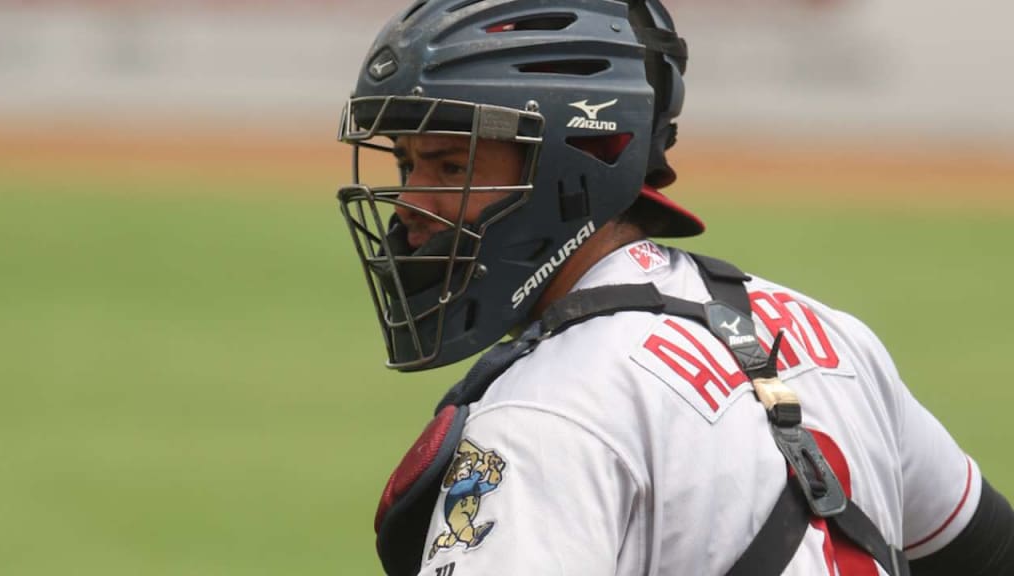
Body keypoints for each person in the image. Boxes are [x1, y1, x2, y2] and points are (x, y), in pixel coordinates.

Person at [336, 0, 1014, 574]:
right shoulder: (829, 335)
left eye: (451, 165)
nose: (408, 208)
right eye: (406, 161)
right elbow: (986, 548)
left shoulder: (546, 414)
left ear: (581, 158)